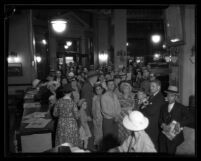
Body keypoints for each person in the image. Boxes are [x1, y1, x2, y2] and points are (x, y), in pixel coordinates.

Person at [158, 86, 193, 154]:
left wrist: (180, 124)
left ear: (176, 97)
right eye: (168, 95)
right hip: (163, 137)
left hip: (174, 137)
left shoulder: (181, 107)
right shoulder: (163, 106)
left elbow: (191, 118)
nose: (169, 97)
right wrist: (163, 125)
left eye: (172, 96)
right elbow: (160, 119)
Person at [140, 79, 165, 151]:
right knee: (148, 144)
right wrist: (145, 106)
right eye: (150, 86)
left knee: (152, 145)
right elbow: (142, 106)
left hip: (153, 125)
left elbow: (151, 111)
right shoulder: (152, 96)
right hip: (148, 124)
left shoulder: (159, 98)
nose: (151, 88)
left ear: (158, 87)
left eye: (153, 86)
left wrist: (145, 107)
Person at [81, 70, 99, 150]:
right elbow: (86, 101)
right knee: (89, 132)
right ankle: (89, 148)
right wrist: (87, 114)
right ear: (92, 78)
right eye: (95, 77)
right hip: (88, 114)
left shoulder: (89, 85)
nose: (97, 78)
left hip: (89, 112)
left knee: (90, 131)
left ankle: (90, 147)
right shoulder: (87, 87)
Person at [92, 82, 105, 150]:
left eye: (99, 89)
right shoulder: (94, 98)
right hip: (97, 117)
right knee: (97, 131)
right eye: (96, 89)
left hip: (103, 117)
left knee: (102, 131)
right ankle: (97, 145)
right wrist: (94, 117)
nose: (98, 90)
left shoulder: (104, 97)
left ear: (102, 89)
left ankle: (102, 145)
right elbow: (93, 109)